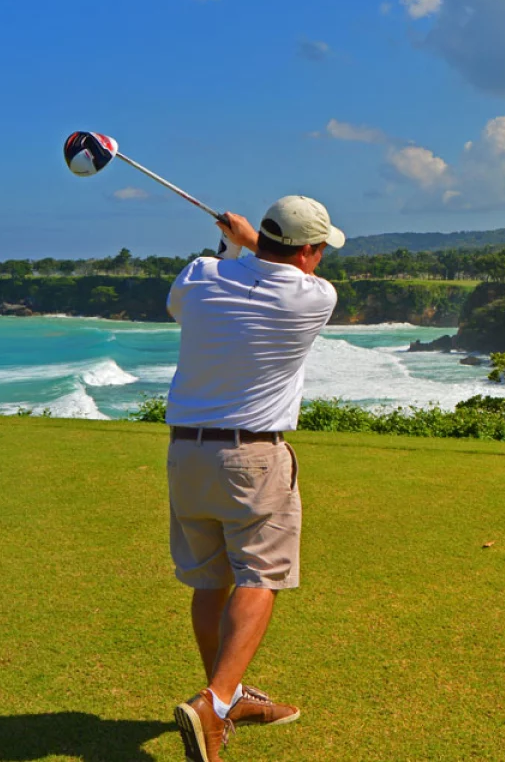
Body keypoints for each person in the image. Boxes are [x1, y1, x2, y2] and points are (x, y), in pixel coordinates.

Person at [164, 196, 344, 762]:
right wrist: (244, 243)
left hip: (185, 454)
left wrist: (233, 246)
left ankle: (229, 697)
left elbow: (192, 298)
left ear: (259, 234)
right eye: (320, 251)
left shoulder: (199, 274)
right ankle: (215, 704)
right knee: (258, 577)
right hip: (252, 457)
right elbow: (276, 273)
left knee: (208, 581)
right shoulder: (315, 296)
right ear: (310, 253)